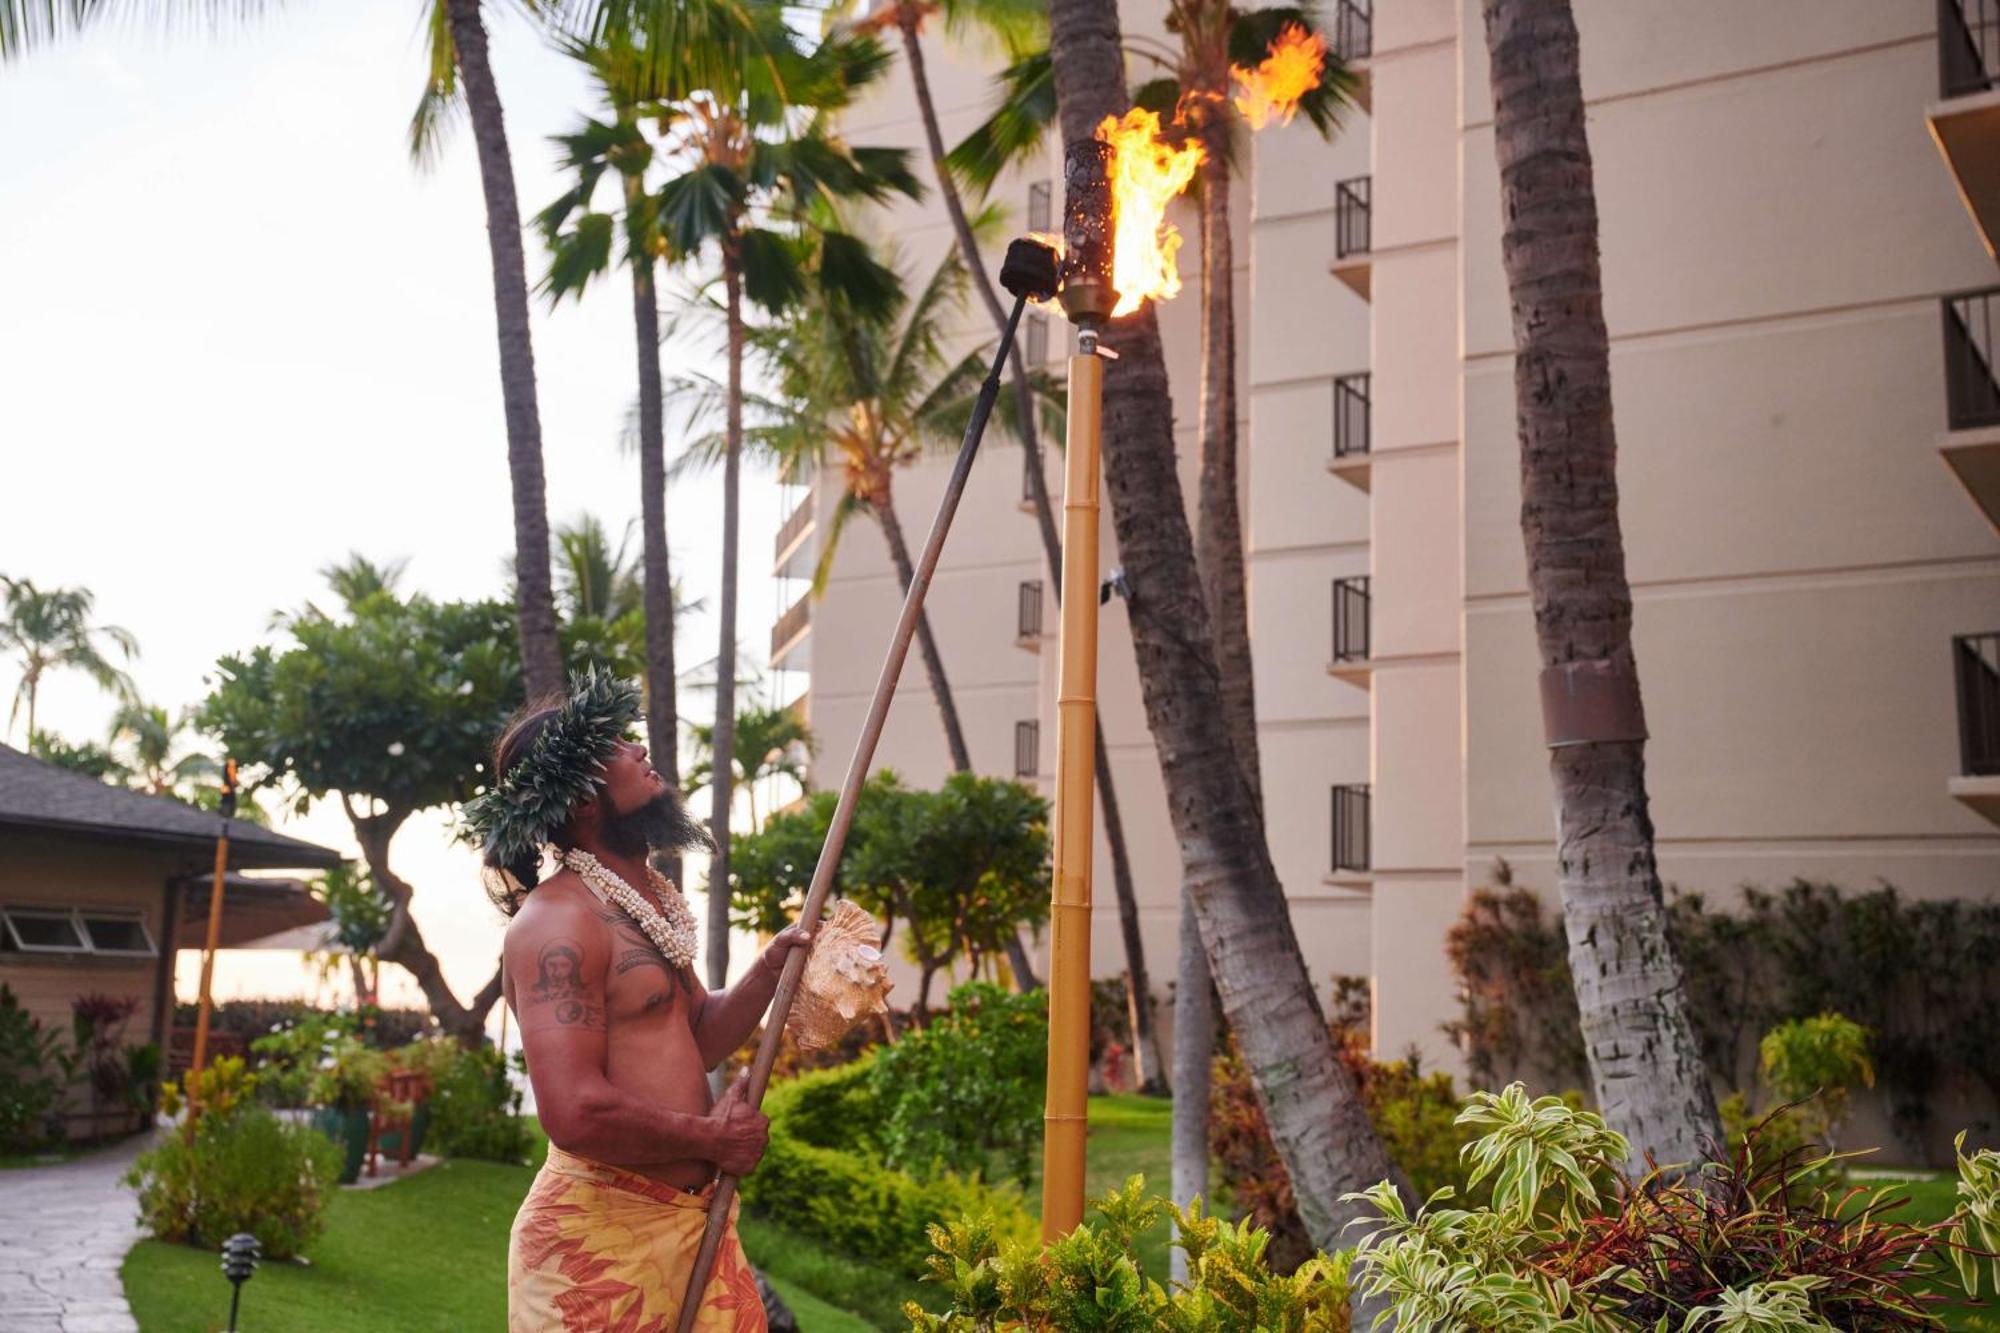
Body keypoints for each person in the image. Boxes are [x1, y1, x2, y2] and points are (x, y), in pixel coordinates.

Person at [465, 669, 811, 1332]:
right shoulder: (557, 923)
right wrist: (710, 1136)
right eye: (616, 747)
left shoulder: (644, 901)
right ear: (584, 800)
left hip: (689, 1228)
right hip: (595, 1249)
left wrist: (771, 967)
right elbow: (573, 1111)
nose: (639, 750)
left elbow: (696, 1033)